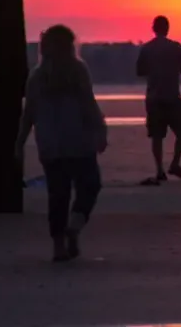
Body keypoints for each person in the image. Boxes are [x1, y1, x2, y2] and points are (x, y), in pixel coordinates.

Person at [14, 25, 107, 262]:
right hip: (79, 140)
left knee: (58, 194)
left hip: (50, 144)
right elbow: (89, 103)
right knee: (90, 185)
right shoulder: (78, 70)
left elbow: (29, 114)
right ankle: (74, 225)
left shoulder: (37, 76)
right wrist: (100, 130)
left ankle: (58, 246)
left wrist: (20, 143)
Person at [136, 16, 181, 185]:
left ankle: (160, 170)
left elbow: (139, 71)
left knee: (157, 136)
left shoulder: (147, 49)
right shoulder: (175, 47)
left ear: (153, 29)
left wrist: (154, 70)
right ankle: (175, 163)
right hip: (172, 96)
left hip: (154, 97)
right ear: (167, 28)